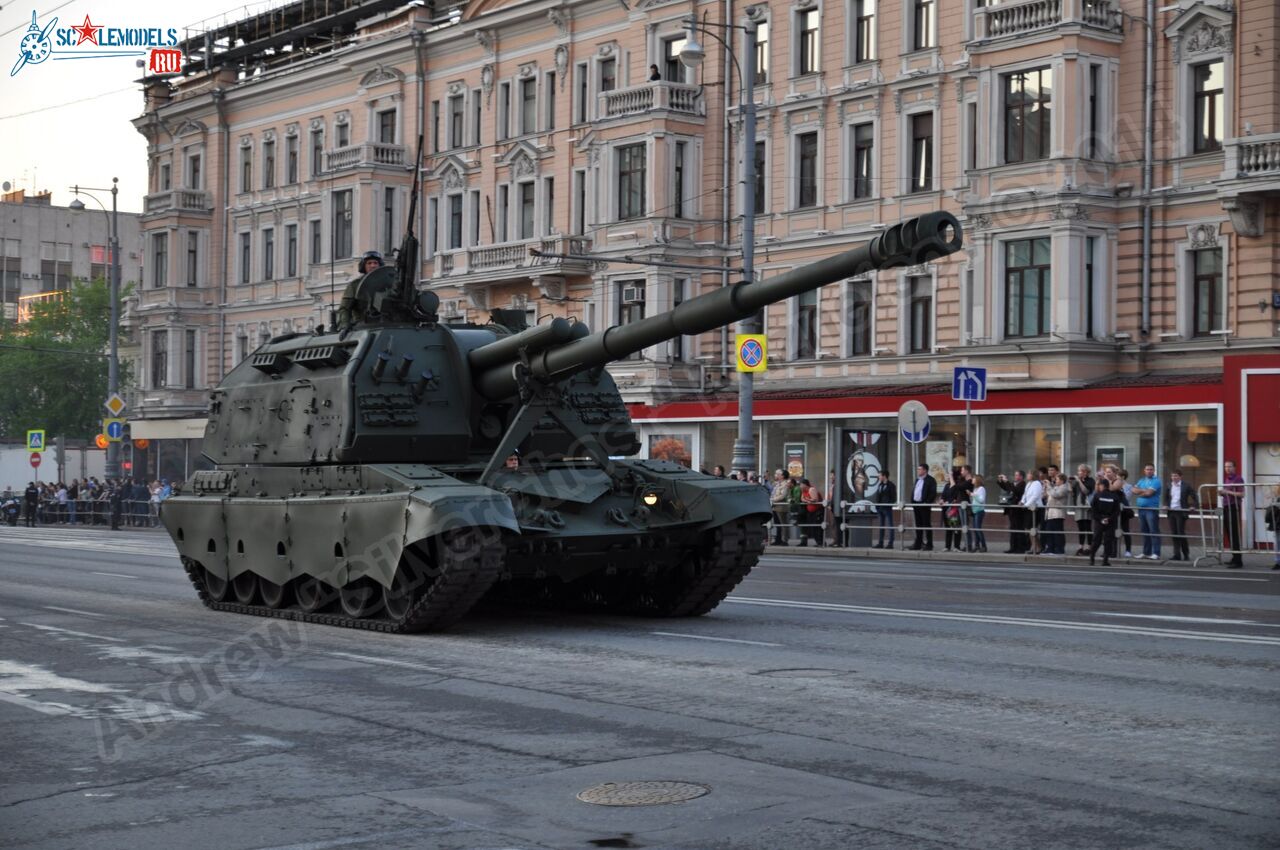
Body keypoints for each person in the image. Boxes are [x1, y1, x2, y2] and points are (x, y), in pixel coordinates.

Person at [336, 250, 384, 327]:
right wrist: (345, 325)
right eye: (369, 263)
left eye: (375, 263)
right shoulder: (355, 285)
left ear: (380, 265)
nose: (373, 266)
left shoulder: (387, 283)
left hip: (385, 323)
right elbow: (345, 308)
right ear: (363, 266)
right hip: (362, 324)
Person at [1088, 479, 1124, 566]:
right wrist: (1109, 519)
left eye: (1099, 485)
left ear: (1102, 486)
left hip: (1099, 521)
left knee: (1096, 540)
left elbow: (1093, 510)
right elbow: (1117, 511)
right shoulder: (1114, 496)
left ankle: (1092, 559)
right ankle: (1105, 560)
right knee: (1108, 541)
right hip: (1110, 521)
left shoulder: (1097, 495)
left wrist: (1100, 519)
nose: (1098, 487)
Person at [1164, 468, 1198, 561]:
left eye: (1176, 476)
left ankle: (1186, 554)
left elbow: (1195, 496)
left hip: (1181, 512)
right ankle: (1176, 555)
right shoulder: (1169, 485)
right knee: (1174, 533)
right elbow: (1166, 497)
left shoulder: (1186, 486)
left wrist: (1193, 506)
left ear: (1180, 477)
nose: (1173, 478)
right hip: (1171, 512)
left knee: (1181, 533)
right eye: (1172, 476)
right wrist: (1166, 505)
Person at [1134, 463, 1162, 560]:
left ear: (1153, 471)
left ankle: (1156, 553)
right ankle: (1146, 552)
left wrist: (1140, 492)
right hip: (1141, 509)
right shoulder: (1142, 480)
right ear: (1144, 470)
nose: (1149, 471)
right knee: (1145, 531)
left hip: (1151, 509)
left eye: (1151, 469)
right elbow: (1133, 490)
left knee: (1153, 531)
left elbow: (1149, 493)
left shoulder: (1156, 481)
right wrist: (1144, 491)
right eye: (1147, 469)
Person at [1221, 460, 1245, 568]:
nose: (1227, 469)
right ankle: (1234, 557)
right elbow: (1228, 493)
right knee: (1229, 533)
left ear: (1234, 467)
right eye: (1226, 467)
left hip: (1234, 507)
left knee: (1234, 534)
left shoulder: (1238, 478)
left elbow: (1242, 494)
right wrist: (1222, 493)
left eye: (1230, 466)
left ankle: (1238, 561)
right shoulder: (1227, 479)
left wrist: (1227, 492)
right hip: (1226, 507)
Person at [997, 470, 1027, 553]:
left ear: (1021, 477)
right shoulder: (1014, 484)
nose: (1015, 477)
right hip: (1012, 510)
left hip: (1018, 510)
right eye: (1015, 475)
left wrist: (1007, 481)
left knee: (1019, 529)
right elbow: (1007, 487)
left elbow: (1015, 491)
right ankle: (1013, 547)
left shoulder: (1023, 484)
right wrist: (1001, 481)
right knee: (1013, 529)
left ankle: (1020, 548)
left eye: (1017, 475)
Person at [908, 464, 937, 551]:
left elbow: (932, 493)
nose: (918, 471)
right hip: (916, 505)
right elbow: (915, 490)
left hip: (924, 505)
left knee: (926, 524)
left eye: (919, 469)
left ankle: (929, 544)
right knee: (918, 525)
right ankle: (918, 543)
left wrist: (927, 502)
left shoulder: (930, 480)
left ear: (925, 470)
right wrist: (912, 502)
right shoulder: (918, 479)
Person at [1071, 465, 1096, 555]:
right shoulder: (1077, 481)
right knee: (1080, 528)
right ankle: (1080, 547)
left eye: (1080, 471)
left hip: (1086, 507)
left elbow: (1086, 491)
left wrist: (1079, 481)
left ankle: (1089, 547)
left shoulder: (1091, 481)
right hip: (1078, 507)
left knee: (1087, 527)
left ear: (1085, 472)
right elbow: (1072, 491)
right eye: (1078, 471)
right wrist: (1072, 483)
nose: (1078, 473)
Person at [1021, 469, 1046, 554]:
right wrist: (1022, 501)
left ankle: (1037, 547)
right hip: (1029, 508)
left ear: (1033, 475)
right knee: (1028, 529)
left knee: (1033, 529)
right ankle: (1034, 546)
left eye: (1029, 473)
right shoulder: (1028, 484)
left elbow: (1035, 496)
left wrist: (1026, 504)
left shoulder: (1037, 483)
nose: (1027, 475)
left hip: (1035, 508)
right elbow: (1025, 494)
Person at [1044, 472, 1070, 555]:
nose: (1055, 481)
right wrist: (1046, 488)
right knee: (1049, 531)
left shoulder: (1064, 488)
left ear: (1062, 480)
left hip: (1058, 513)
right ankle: (1050, 548)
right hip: (1050, 513)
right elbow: (1048, 495)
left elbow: (1055, 495)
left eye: (1057, 479)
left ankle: (1059, 549)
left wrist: (1049, 486)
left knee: (1057, 532)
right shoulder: (1055, 487)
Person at [873, 468, 897, 549]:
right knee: (881, 526)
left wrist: (888, 504)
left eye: (879, 476)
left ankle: (890, 543)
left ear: (884, 476)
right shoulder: (880, 485)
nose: (878, 477)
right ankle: (880, 543)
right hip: (880, 508)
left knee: (890, 525)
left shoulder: (891, 485)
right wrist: (877, 506)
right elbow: (878, 496)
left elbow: (893, 497)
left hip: (887, 508)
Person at [799, 478, 824, 546]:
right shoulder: (803, 490)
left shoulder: (811, 489)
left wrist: (807, 500)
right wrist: (807, 500)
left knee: (817, 527)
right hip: (811, 511)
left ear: (805, 484)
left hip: (817, 511)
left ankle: (820, 542)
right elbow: (802, 499)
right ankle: (818, 542)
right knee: (813, 527)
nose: (800, 486)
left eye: (801, 484)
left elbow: (815, 499)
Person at [770, 469, 790, 546]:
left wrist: (772, 500)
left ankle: (784, 540)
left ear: (782, 476)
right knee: (777, 524)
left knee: (783, 524)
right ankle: (778, 539)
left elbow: (783, 496)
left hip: (781, 507)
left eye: (777, 474)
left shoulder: (785, 484)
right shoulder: (777, 484)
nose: (775, 475)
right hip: (775, 506)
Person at [968, 474, 988, 553]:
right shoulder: (975, 489)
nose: (972, 480)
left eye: (973, 478)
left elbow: (981, 500)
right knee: (975, 529)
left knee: (978, 529)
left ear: (977, 480)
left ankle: (983, 546)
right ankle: (977, 545)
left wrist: (972, 495)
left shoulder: (981, 489)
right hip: (975, 510)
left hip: (979, 511)